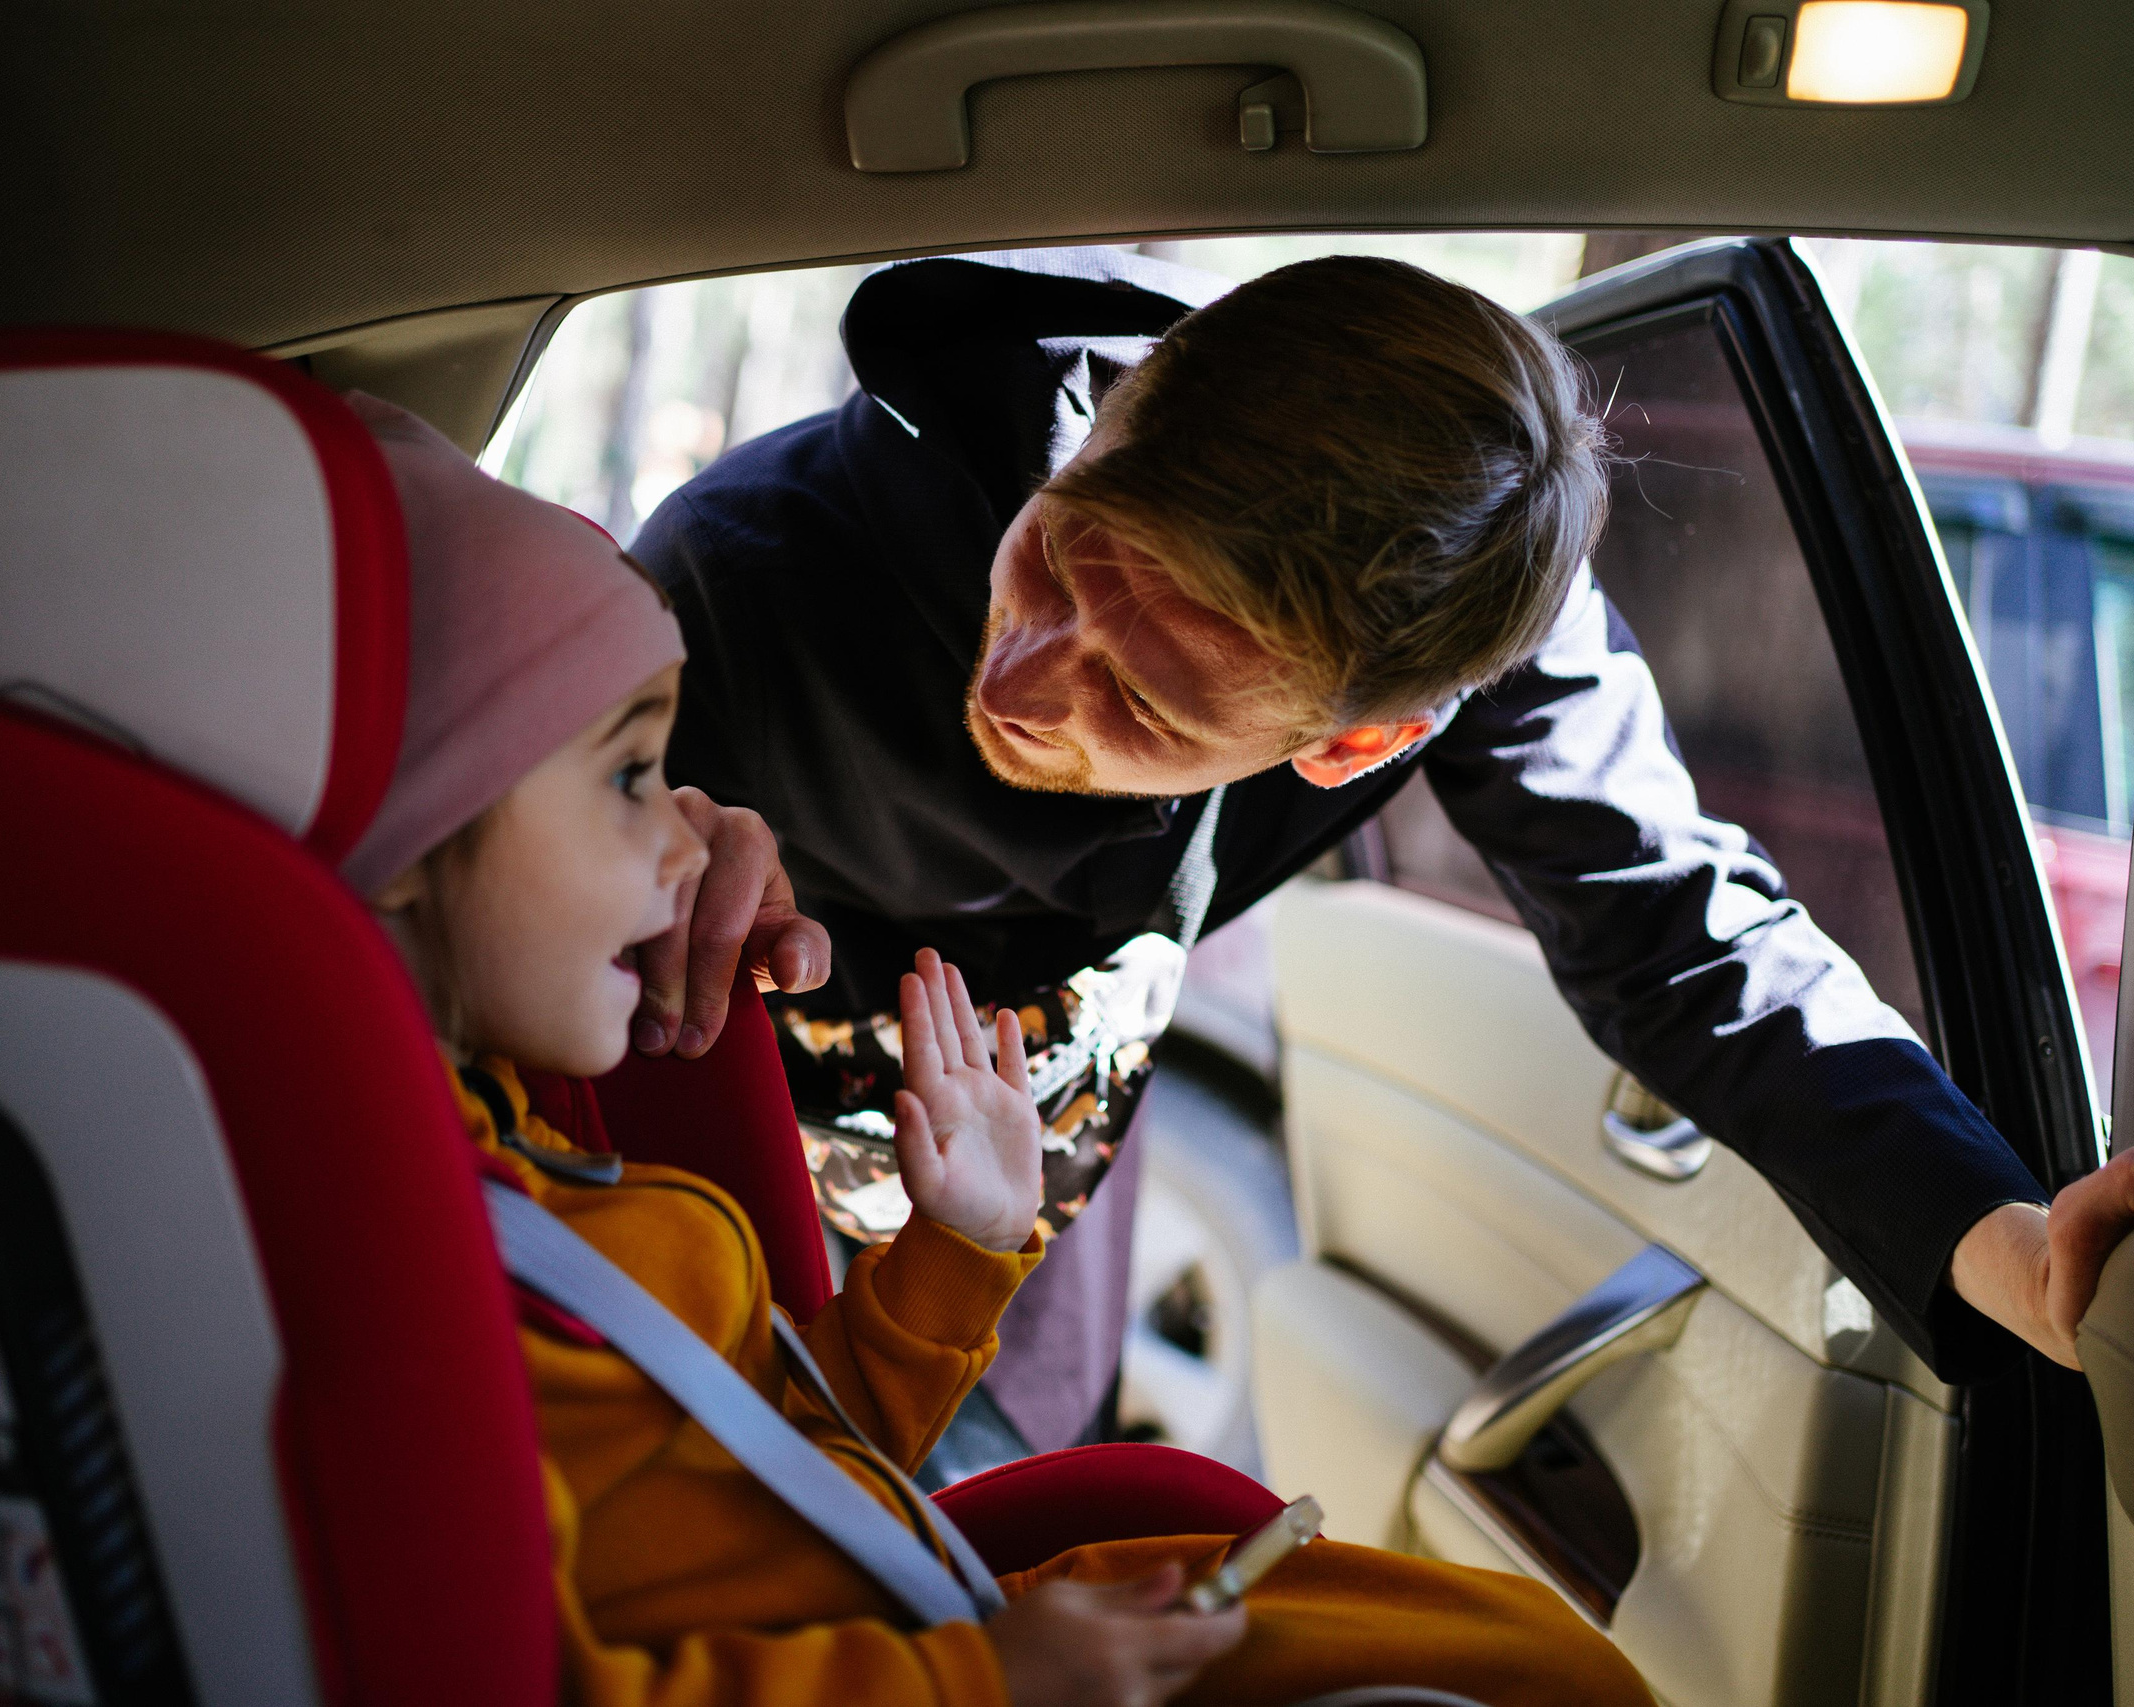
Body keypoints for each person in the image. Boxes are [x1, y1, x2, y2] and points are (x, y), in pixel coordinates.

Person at [623, 247, 2134, 1470]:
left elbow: (1689, 943)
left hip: (1036, 1150)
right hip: (719, 1112)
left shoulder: (1471, 628)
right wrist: (647, 832)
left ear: (1358, 744)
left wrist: (2023, 1251)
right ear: (1122, 413)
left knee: (1005, 1475)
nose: (1019, 674)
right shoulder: (745, 570)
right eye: (1060, 558)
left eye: (1139, 697)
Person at [335, 391, 1661, 1707]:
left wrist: (956, 1253)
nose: (703, 831)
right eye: (636, 779)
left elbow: (783, 1468)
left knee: (1533, 1657)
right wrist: (981, 1683)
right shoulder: (432, 1282)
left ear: (1349, 746)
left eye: (1145, 702)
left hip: (899, 1602)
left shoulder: (550, 1182)